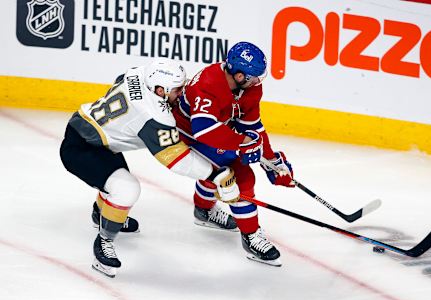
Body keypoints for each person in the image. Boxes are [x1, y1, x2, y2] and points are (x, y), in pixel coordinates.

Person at [60, 58, 241, 278]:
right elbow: (176, 158)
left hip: (92, 133)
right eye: (176, 90)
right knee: (126, 189)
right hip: (82, 148)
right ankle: (104, 241)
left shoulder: (138, 73)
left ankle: (101, 212)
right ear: (159, 89)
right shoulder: (154, 115)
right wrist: (215, 174)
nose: (181, 94)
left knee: (114, 181)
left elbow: (120, 82)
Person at [173, 42, 295, 267]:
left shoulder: (250, 88)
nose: (258, 81)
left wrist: (271, 160)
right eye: (254, 77)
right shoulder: (209, 83)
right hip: (187, 134)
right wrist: (241, 144)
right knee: (241, 176)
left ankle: (203, 210)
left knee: (219, 169)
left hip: (217, 131)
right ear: (239, 75)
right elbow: (203, 129)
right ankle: (250, 236)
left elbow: (253, 126)